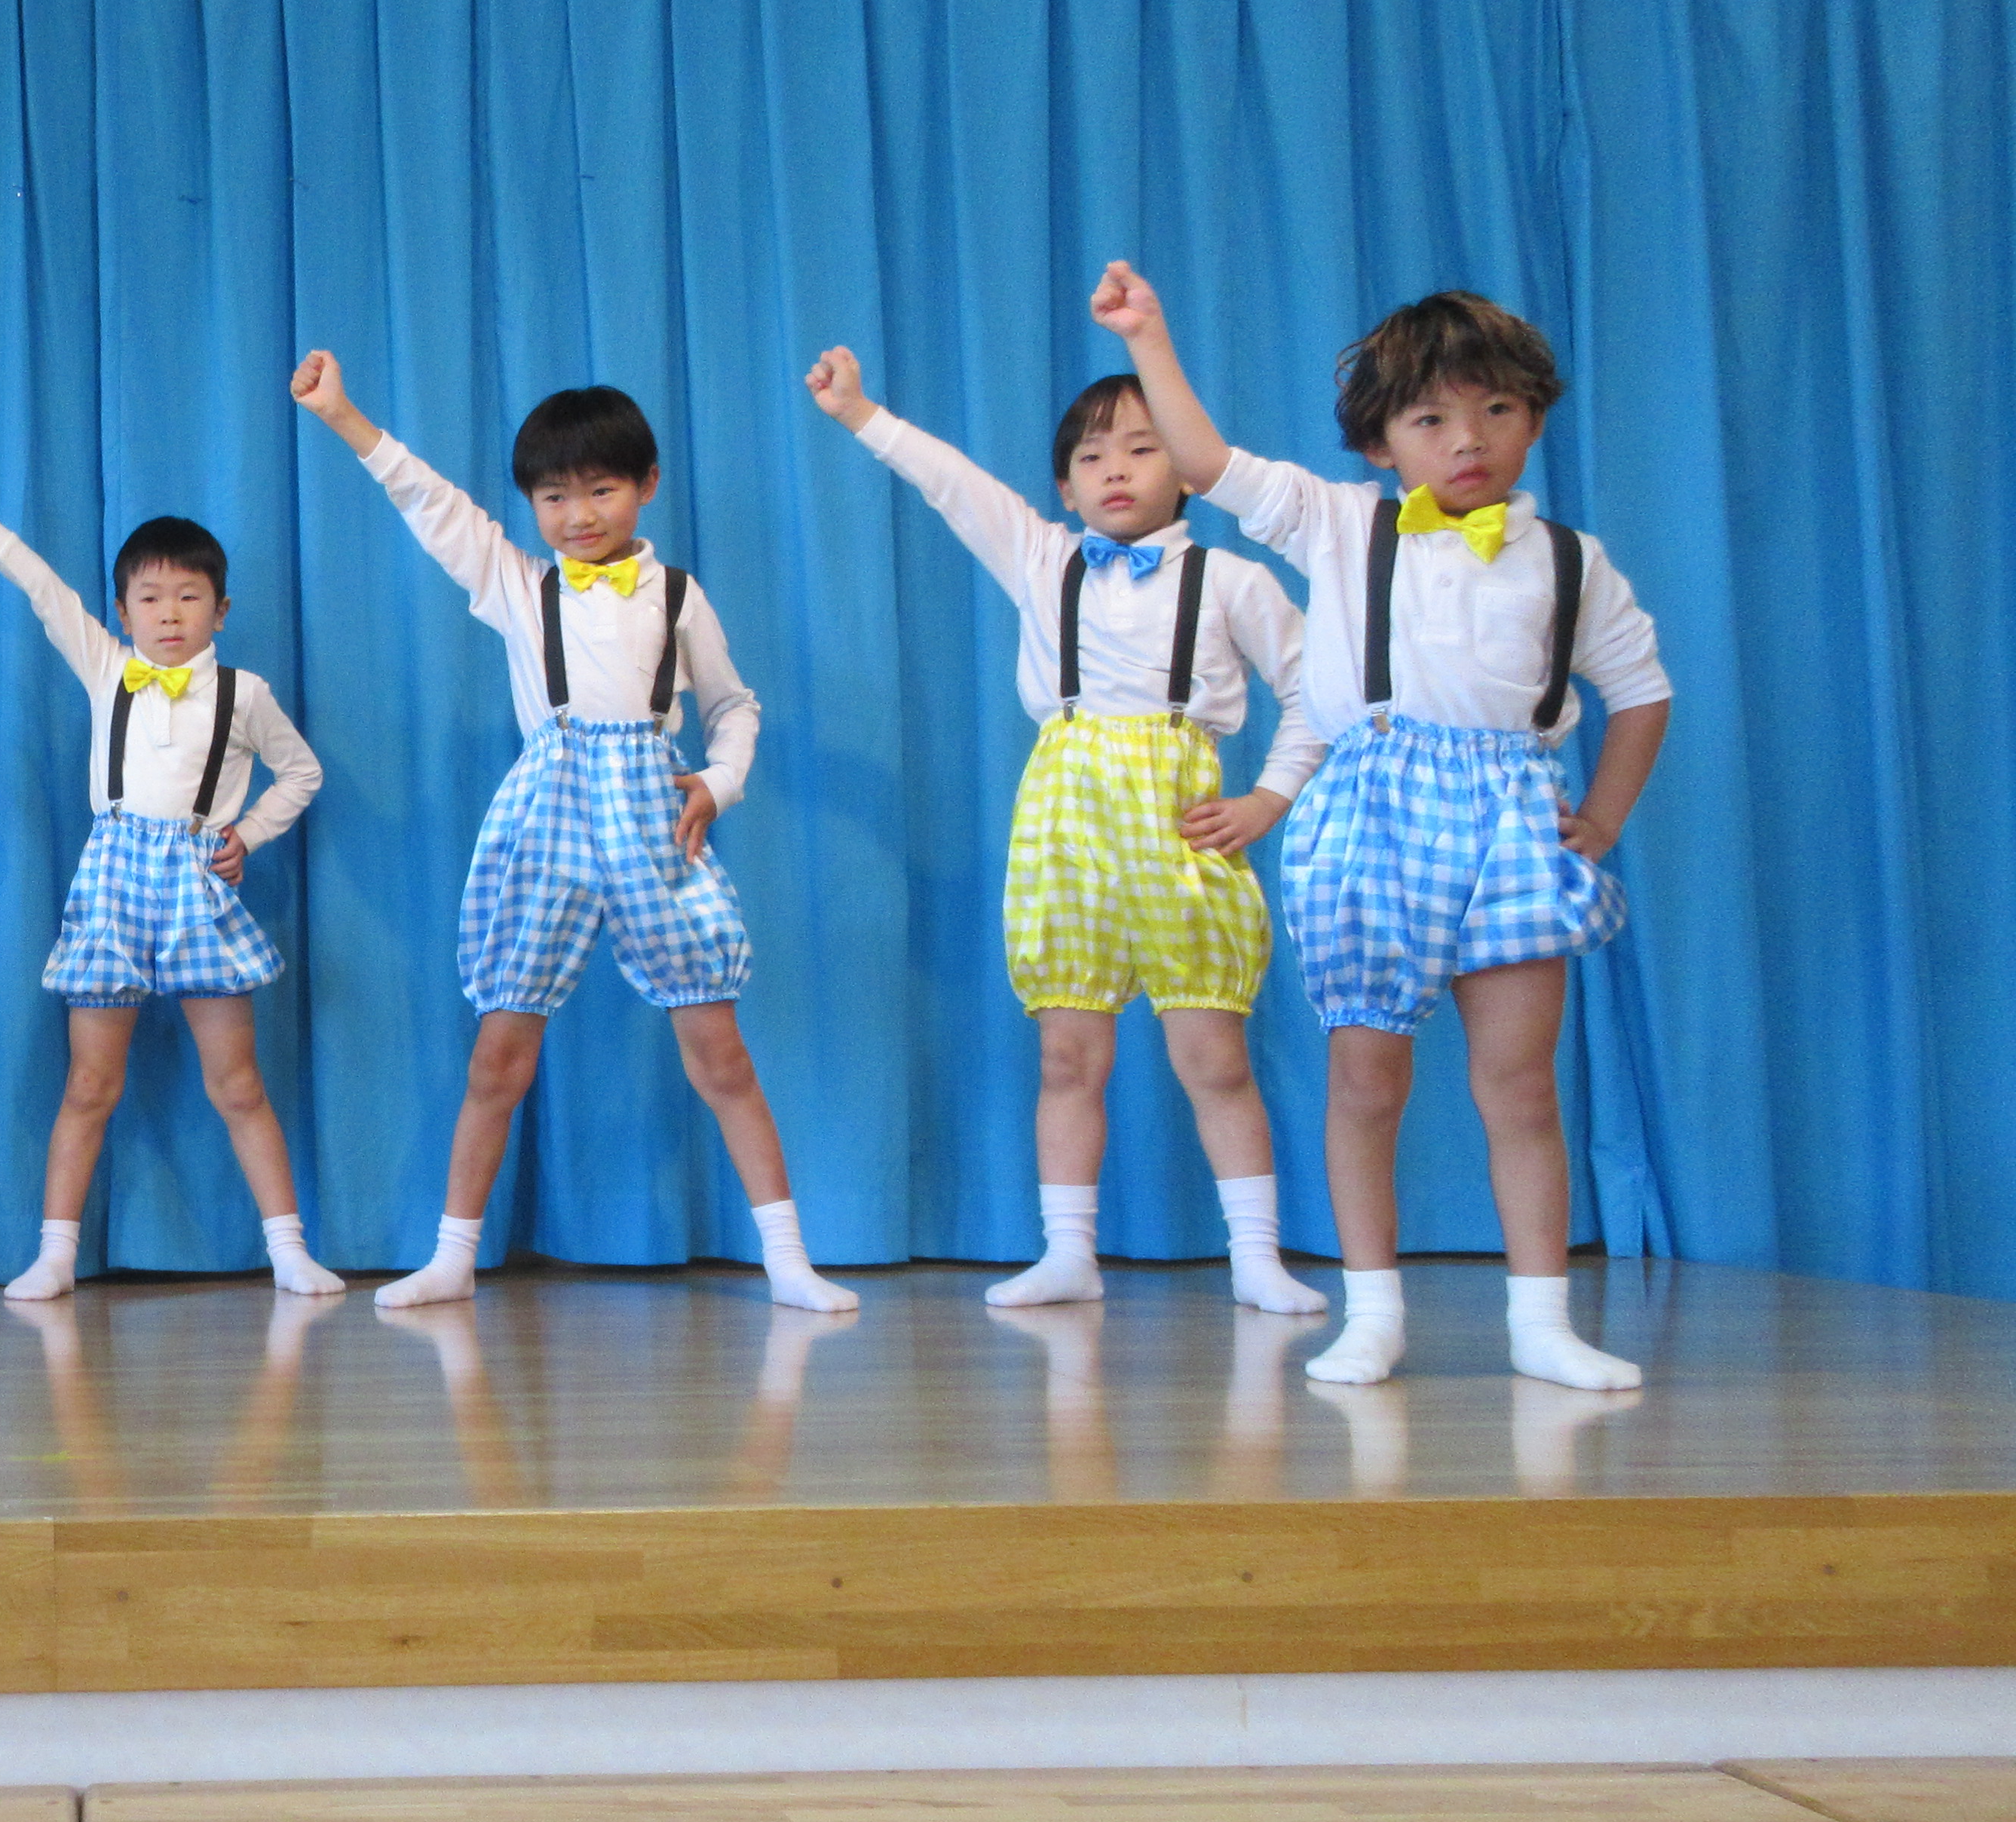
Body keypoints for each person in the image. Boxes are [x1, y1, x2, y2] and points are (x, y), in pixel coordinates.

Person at [1092, 263, 1671, 1389]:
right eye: (1431, 419)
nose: (1469, 439)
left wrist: (1600, 818)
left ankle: (1542, 1321)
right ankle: (1373, 1311)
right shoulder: (1341, 523)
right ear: (1379, 443)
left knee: (1521, 1083)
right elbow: (1205, 463)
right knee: (1366, 1079)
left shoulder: (1568, 559)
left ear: (1535, 418)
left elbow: (1641, 692)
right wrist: (1147, 335)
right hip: (1373, 816)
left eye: (1497, 409)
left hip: (1511, 821)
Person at [289, 351, 851, 1314]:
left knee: (719, 1049)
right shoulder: (519, 586)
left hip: (651, 818)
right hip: (546, 814)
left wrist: (719, 784)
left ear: (646, 485)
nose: (578, 514)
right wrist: (343, 414)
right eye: (554, 497)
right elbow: (429, 501)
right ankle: (452, 1257)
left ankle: (787, 1258)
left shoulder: (677, 596)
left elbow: (734, 706)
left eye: (600, 490)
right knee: (498, 1054)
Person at [804, 347, 1328, 1313]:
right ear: (1065, 486)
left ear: (1187, 468)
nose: (1116, 470)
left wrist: (1270, 799)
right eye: (1092, 457)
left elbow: (1316, 691)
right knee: (1067, 1057)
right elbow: (951, 484)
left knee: (1213, 1056)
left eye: (1143, 448)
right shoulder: (1044, 560)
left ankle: (1256, 1256)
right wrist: (860, 413)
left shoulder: (1230, 581)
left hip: (1181, 833)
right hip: (1064, 827)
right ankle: (1068, 1254)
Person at [0, 461, 340, 1300]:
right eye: (150, 598)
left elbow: (302, 772)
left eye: (189, 596)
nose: (169, 614)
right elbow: (40, 588)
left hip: (195, 882)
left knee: (238, 1082)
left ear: (222, 609)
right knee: (89, 1083)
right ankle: (55, 1254)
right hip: (113, 875)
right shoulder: (107, 667)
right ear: (122, 612)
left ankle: (289, 1250)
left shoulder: (244, 693)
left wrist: (247, 834)